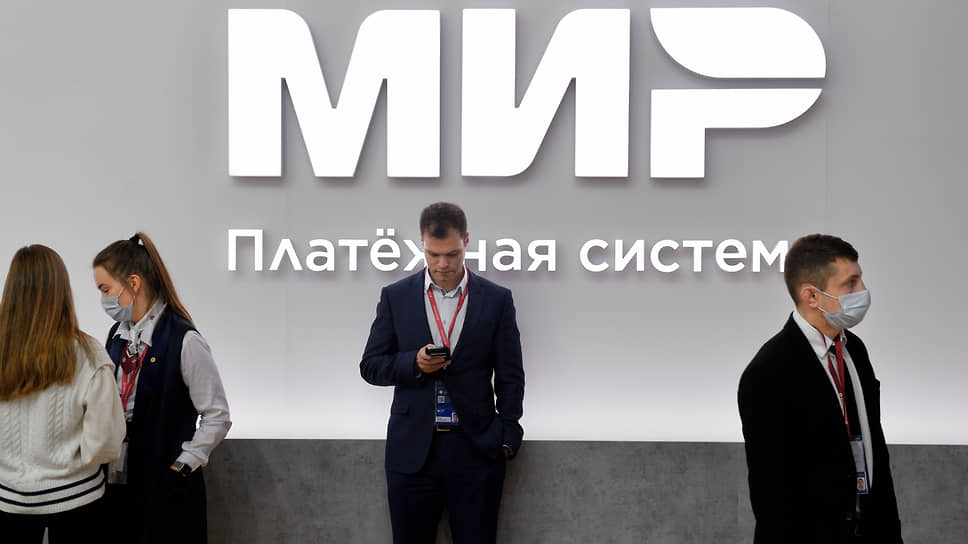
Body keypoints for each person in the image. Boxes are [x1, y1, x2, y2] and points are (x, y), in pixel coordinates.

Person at [361, 202, 525, 544]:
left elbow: (510, 373)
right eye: (433, 254)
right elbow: (371, 365)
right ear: (422, 243)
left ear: (466, 240)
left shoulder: (497, 300)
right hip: (412, 451)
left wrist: (508, 434)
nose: (442, 264)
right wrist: (413, 363)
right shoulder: (395, 297)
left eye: (452, 253)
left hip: (477, 449)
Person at [738, 234, 903, 543]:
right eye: (850, 284)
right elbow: (772, 494)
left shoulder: (855, 350)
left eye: (860, 279)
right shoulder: (768, 372)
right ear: (811, 296)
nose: (863, 291)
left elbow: (874, 449)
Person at [93, 233, 231, 543]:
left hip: (167, 488)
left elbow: (217, 415)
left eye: (105, 290)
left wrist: (183, 465)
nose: (103, 300)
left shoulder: (184, 339)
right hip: (119, 482)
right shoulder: (116, 335)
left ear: (133, 283)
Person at [0, 245, 125, 542]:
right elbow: (106, 442)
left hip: (7, 497)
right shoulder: (90, 353)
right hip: (77, 496)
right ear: (61, 291)